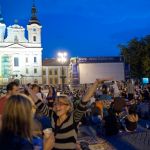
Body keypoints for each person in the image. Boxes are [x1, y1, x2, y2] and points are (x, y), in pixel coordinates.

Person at [28, 79, 109, 150]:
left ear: (68, 107)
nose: (57, 107)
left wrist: (96, 83)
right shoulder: (53, 116)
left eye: (61, 104)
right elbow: (39, 103)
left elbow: (84, 100)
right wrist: (28, 89)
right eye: (56, 104)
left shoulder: (73, 118)